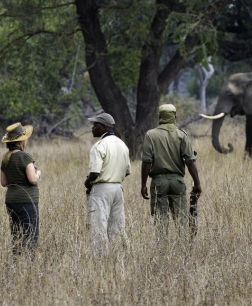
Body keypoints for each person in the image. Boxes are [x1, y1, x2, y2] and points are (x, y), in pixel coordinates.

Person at [140, 104, 202, 233]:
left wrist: (143, 184)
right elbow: (190, 161)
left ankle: (162, 249)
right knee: (181, 221)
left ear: (160, 117)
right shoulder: (181, 135)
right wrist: (197, 183)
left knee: (161, 221)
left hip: (158, 182)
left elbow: (147, 162)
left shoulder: (150, 135)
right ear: (174, 117)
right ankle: (184, 247)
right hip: (178, 182)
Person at [85, 112, 131, 250]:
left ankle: (100, 261)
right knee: (117, 228)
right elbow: (127, 171)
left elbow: (94, 173)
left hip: (101, 189)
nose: (92, 128)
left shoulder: (99, 146)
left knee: (98, 227)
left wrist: (87, 182)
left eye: (95, 125)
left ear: (104, 127)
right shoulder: (122, 144)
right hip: (118, 189)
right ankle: (119, 257)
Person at [0, 123, 41, 256]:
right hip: (27, 200)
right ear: (21, 140)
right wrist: (38, 173)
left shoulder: (6, 158)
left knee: (16, 233)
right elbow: (32, 179)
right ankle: (29, 264)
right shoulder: (25, 157)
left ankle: (16, 261)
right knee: (30, 234)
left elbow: (3, 182)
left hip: (11, 200)